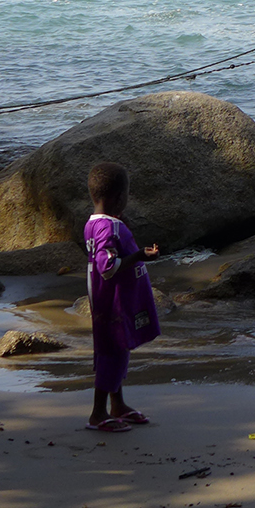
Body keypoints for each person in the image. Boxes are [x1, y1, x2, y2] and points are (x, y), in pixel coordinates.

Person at [83, 161, 160, 432]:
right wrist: (140, 256)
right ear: (118, 198)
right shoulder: (108, 228)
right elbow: (107, 267)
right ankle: (97, 413)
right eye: (126, 195)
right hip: (111, 297)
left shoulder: (97, 223)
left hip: (109, 296)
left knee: (118, 345)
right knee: (112, 349)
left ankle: (118, 405)